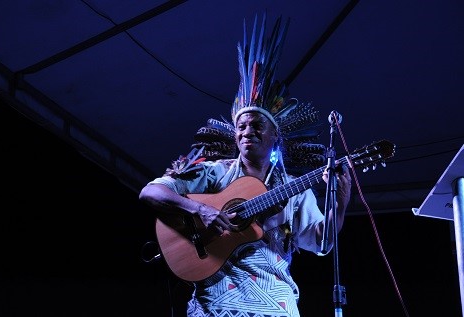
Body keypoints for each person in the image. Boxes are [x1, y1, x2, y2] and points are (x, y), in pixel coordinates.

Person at [139, 13, 352, 317]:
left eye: (256, 126)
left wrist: (341, 203)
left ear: (275, 135)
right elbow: (151, 192)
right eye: (241, 127)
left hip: (274, 299)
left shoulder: (294, 189)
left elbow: (322, 241)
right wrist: (199, 209)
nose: (246, 132)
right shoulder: (216, 172)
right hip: (217, 300)